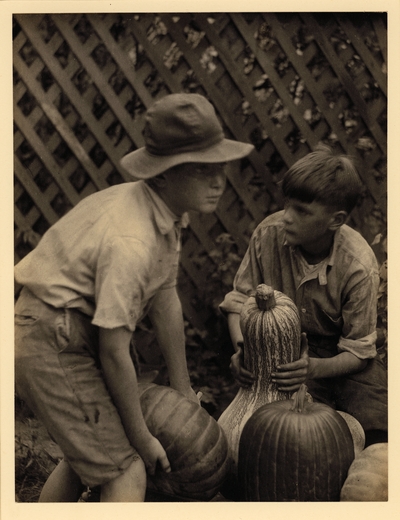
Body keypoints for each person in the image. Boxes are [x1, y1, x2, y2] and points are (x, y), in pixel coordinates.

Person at [14, 93, 254, 502]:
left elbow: (164, 299)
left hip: (66, 332)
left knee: (87, 454)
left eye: (220, 168)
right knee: (126, 470)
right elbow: (113, 350)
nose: (217, 181)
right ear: (162, 175)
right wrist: (142, 438)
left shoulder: (162, 212)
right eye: (201, 170)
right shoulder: (132, 240)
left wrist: (182, 388)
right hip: (51, 342)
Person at [220, 144, 387, 448]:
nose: (286, 217)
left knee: (379, 428)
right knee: (262, 438)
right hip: (276, 351)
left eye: (302, 211)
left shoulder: (358, 264)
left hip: (339, 359)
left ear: (335, 220)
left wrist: (314, 368)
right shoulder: (267, 235)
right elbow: (237, 303)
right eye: (288, 205)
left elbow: (359, 351)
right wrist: (245, 352)